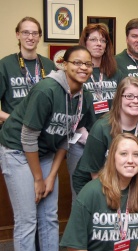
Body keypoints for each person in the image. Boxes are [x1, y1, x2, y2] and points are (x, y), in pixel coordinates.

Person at [0, 45, 96, 251]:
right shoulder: (47, 90)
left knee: (49, 215)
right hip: (17, 150)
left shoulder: (84, 98)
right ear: (64, 65)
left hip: (45, 153)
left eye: (88, 64)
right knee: (27, 219)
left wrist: (51, 176)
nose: (83, 68)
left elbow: (66, 136)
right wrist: (38, 179)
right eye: (77, 62)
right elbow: (28, 137)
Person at [60, 133, 138, 251]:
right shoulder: (91, 193)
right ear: (112, 158)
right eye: (123, 154)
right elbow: (74, 246)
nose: (130, 160)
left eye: (136, 155)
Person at [66, 23, 123, 201]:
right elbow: (67, 105)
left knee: (109, 193)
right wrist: (82, 133)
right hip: (80, 141)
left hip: (110, 140)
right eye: (93, 39)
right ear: (85, 42)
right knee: (82, 194)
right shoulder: (77, 71)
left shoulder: (115, 73)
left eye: (103, 40)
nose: (99, 44)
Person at [72, 76, 138, 194]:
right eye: (129, 96)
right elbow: (95, 172)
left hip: (129, 185)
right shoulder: (102, 128)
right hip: (94, 184)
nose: (136, 101)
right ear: (119, 99)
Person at [0, 16, 56, 124]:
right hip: (15, 131)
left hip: (43, 131)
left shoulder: (49, 65)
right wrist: (15, 119)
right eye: (25, 32)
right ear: (18, 35)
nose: (30, 37)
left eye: (35, 33)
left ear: (39, 36)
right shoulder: (5, 65)